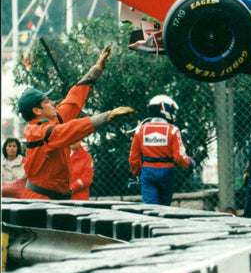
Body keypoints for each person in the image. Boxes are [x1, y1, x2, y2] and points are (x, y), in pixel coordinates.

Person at [19, 47, 133, 200]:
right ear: (37, 111)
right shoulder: (37, 132)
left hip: (54, 198)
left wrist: (96, 70)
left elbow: (72, 100)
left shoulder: (51, 122)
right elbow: (70, 130)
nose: (53, 103)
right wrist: (107, 116)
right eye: (47, 102)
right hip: (40, 200)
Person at [129, 95, 194, 206]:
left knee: (150, 208)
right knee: (165, 208)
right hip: (167, 171)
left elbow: (133, 158)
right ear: (165, 109)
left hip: (147, 171)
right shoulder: (172, 130)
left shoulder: (140, 130)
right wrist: (189, 162)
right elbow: (180, 157)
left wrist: (137, 173)